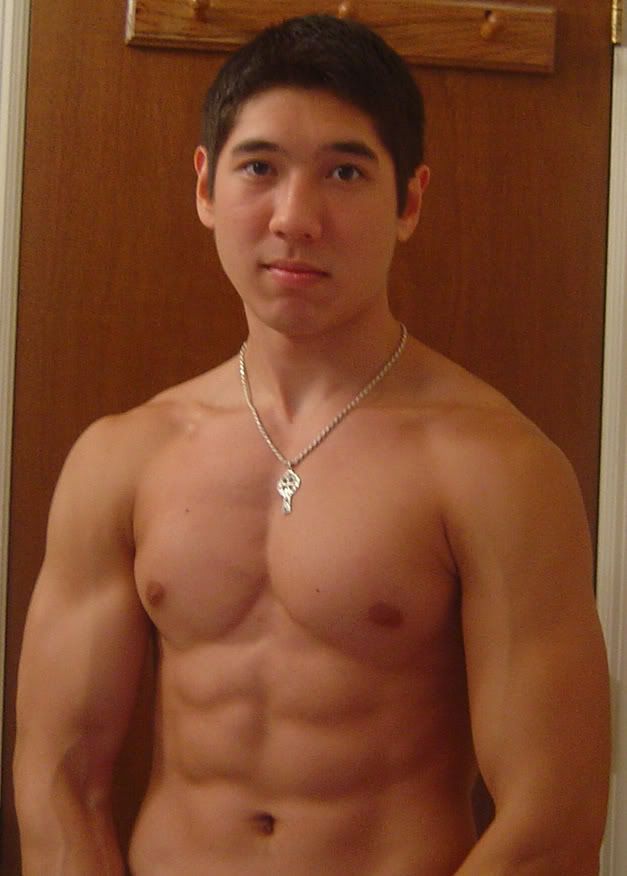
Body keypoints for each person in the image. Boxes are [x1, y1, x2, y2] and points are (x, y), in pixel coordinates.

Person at [13, 14, 610, 876]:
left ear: (408, 202)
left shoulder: (495, 466)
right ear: (206, 186)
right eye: (259, 167)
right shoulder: (122, 459)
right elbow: (58, 777)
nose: (295, 219)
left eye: (344, 172)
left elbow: (555, 816)